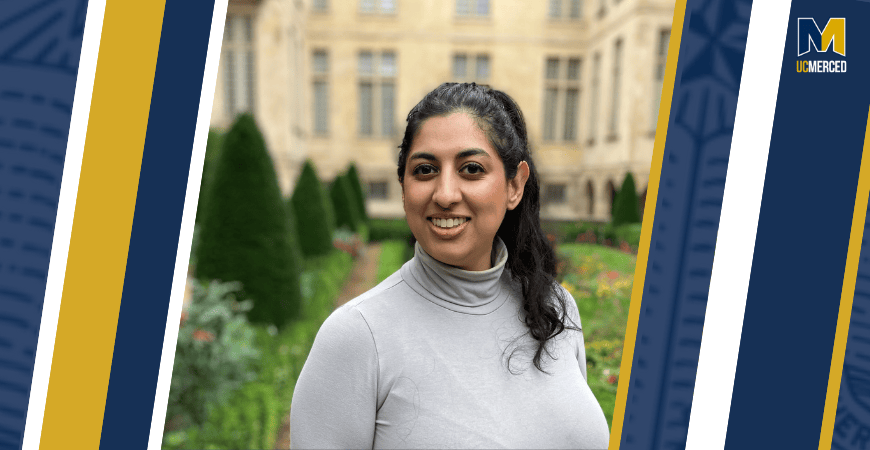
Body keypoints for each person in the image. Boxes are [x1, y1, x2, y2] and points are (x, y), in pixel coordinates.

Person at [290, 83, 609, 448]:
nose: (444, 194)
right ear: (403, 186)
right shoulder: (357, 338)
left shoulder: (555, 307)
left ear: (514, 186)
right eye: (425, 170)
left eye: (471, 169)